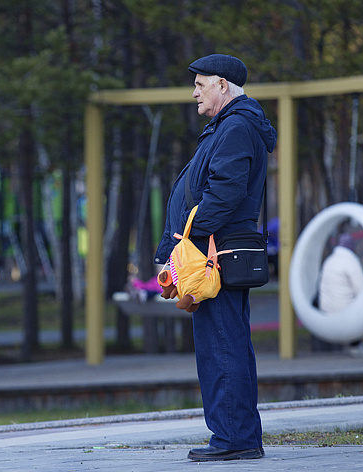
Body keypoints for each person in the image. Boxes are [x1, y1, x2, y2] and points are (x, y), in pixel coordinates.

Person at [155, 53, 276, 462]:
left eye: (201, 84)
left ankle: (234, 438)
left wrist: (181, 241)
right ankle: (237, 434)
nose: (194, 93)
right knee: (228, 343)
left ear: (223, 85)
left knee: (222, 346)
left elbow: (223, 194)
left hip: (214, 257)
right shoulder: (230, 126)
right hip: (214, 252)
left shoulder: (236, 126)